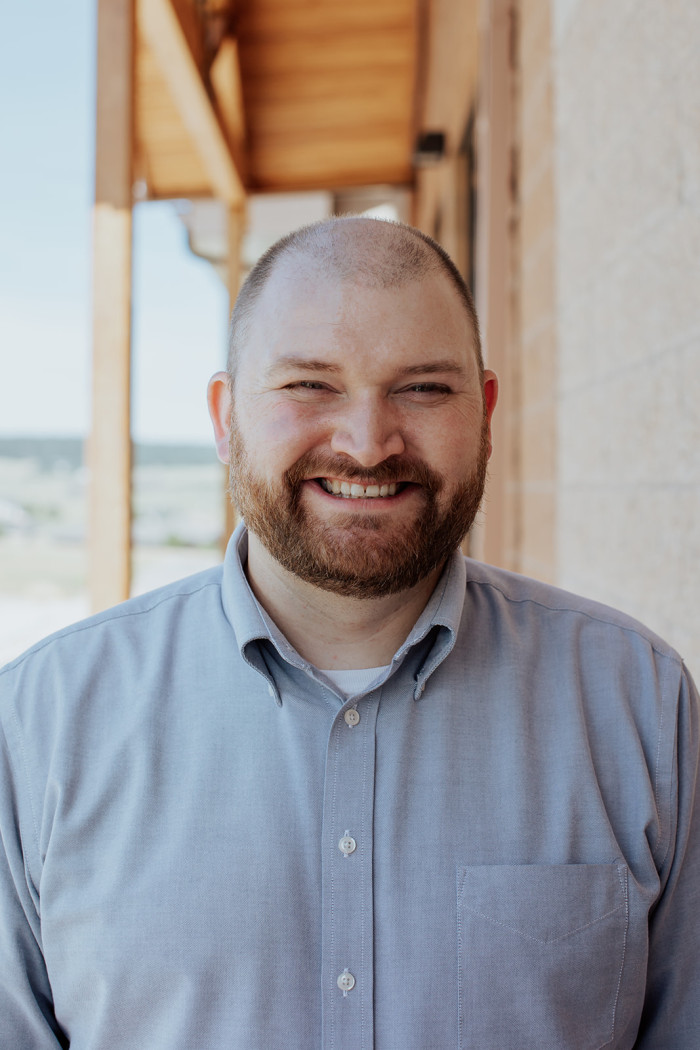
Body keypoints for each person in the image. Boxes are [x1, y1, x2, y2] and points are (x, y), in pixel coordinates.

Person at [0, 217, 697, 1050]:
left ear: (484, 411)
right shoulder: (39, 725)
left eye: (424, 388)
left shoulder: (639, 707)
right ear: (225, 418)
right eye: (308, 385)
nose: (368, 442)